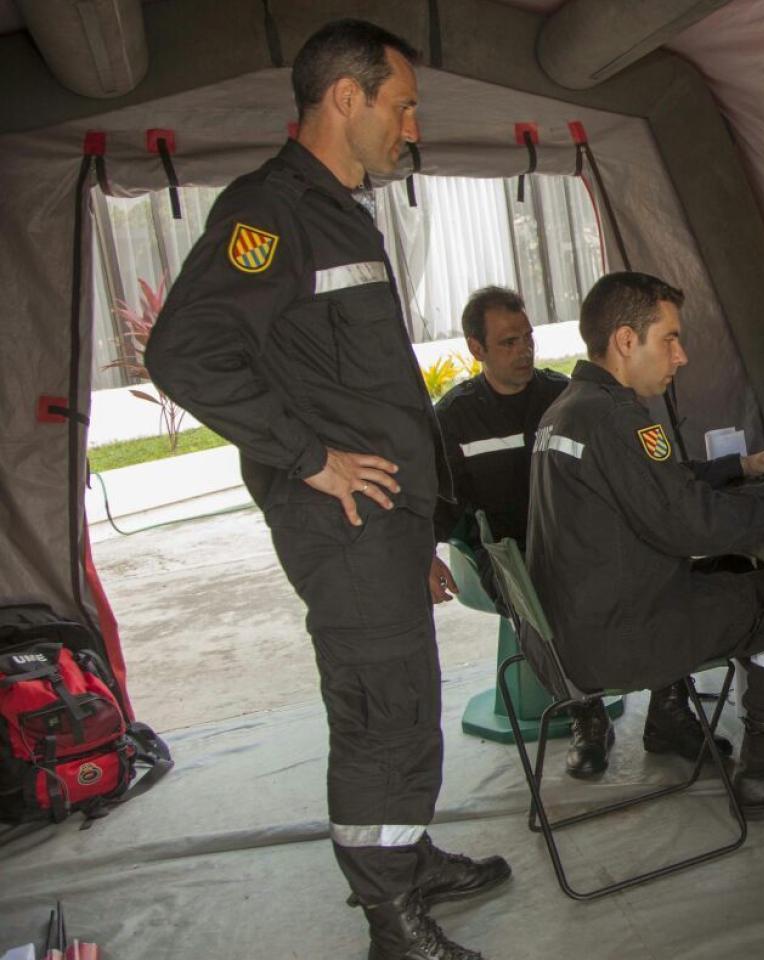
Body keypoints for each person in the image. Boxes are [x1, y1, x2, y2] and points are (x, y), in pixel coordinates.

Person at [146, 20, 505, 960]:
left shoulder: (341, 211)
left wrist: (416, 530)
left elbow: (361, 387)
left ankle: (407, 858)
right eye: (403, 106)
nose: (413, 127)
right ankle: (393, 921)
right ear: (347, 98)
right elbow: (186, 351)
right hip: (339, 521)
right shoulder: (272, 211)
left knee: (405, 698)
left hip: (381, 523)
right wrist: (309, 458)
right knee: (381, 712)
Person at [527, 271, 764, 816]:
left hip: (571, 633)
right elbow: (691, 525)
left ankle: (686, 722)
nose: (682, 355)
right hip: (620, 638)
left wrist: (741, 467)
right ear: (627, 340)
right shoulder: (616, 418)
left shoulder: (570, 409)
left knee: (733, 574)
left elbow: (653, 485)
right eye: (669, 338)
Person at [429, 286, 728, 777]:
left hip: (589, 540)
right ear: (475, 348)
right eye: (508, 342)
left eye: (528, 338)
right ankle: (585, 713)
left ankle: (670, 709)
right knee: (547, 592)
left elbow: (647, 477)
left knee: (657, 561)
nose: (524, 350)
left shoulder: (565, 397)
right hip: (517, 553)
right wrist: (425, 552)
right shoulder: (454, 419)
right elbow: (436, 502)